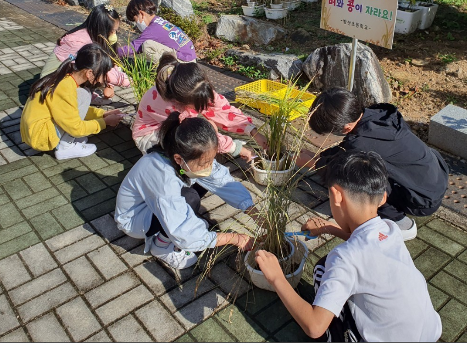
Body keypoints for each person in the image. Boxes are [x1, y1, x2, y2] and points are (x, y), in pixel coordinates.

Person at [256, 150, 442, 342]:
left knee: (322, 268)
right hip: (429, 334)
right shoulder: (390, 229)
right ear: (383, 197)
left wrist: (277, 277)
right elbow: (364, 241)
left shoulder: (345, 258)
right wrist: (328, 227)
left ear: (336, 196)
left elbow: (314, 327)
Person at [296, 88, 449, 241]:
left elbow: (341, 164)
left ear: (346, 127)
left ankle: (400, 223)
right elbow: (346, 147)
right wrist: (320, 156)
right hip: (435, 176)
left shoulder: (361, 144)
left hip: (424, 200)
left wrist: (314, 163)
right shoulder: (379, 115)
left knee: (357, 177)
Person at [115, 112, 260, 269]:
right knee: (190, 198)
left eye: (211, 160)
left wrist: (251, 209)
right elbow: (182, 228)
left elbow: (220, 180)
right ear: (178, 159)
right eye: (205, 162)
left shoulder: (181, 154)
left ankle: (184, 223)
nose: (209, 166)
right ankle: (161, 246)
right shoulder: (162, 176)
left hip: (155, 203)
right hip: (135, 218)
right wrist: (233, 238)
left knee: (203, 181)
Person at [132, 53, 267, 157]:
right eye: (197, 106)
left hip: (175, 123)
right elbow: (196, 135)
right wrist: (238, 149)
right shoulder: (168, 105)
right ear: (180, 102)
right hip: (151, 136)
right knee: (196, 144)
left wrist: (253, 131)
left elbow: (223, 109)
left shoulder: (194, 86)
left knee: (210, 127)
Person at [21, 44, 125, 160]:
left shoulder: (66, 77)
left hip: (35, 131)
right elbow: (76, 127)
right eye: (103, 74)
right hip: (40, 137)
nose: (104, 80)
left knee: (83, 94)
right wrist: (104, 122)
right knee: (84, 95)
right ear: (89, 73)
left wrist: (102, 114)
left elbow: (71, 109)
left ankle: (66, 139)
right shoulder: (65, 88)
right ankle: (65, 147)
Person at [40, 4, 130, 106]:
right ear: (101, 29)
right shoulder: (80, 42)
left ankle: (86, 94)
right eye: (111, 31)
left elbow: (111, 63)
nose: (114, 34)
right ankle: (82, 97)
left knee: (100, 69)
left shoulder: (95, 36)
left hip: (69, 76)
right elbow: (106, 71)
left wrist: (109, 86)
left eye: (115, 30)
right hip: (51, 86)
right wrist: (128, 81)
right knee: (95, 70)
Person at [118, 0, 197, 63]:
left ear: (141, 14)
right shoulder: (159, 21)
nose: (137, 23)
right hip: (189, 56)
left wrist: (111, 53)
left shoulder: (152, 30)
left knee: (147, 45)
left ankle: (169, 70)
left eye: (135, 20)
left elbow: (133, 48)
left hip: (185, 62)